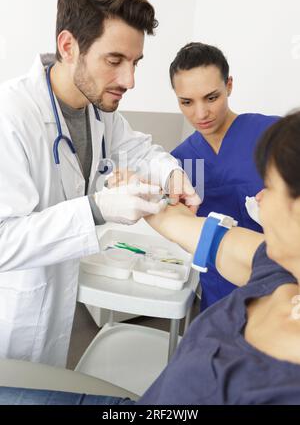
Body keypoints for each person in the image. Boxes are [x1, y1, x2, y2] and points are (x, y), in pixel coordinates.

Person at [1, 110, 300, 405]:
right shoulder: (272, 266)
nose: (258, 197)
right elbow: (177, 223)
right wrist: (139, 190)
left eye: (270, 187)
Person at [0, 0, 200, 367]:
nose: (129, 80)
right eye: (115, 61)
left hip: (54, 305)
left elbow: (138, 149)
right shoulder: (11, 117)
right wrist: (96, 208)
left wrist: (172, 174)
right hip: (11, 316)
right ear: (68, 46)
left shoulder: (97, 110)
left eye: (135, 63)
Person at [170, 42, 279, 310]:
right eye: (186, 102)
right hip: (219, 290)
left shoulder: (274, 135)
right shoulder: (180, 161)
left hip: (279, 283)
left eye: (211, 97)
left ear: (228, 86)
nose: (200, 114)